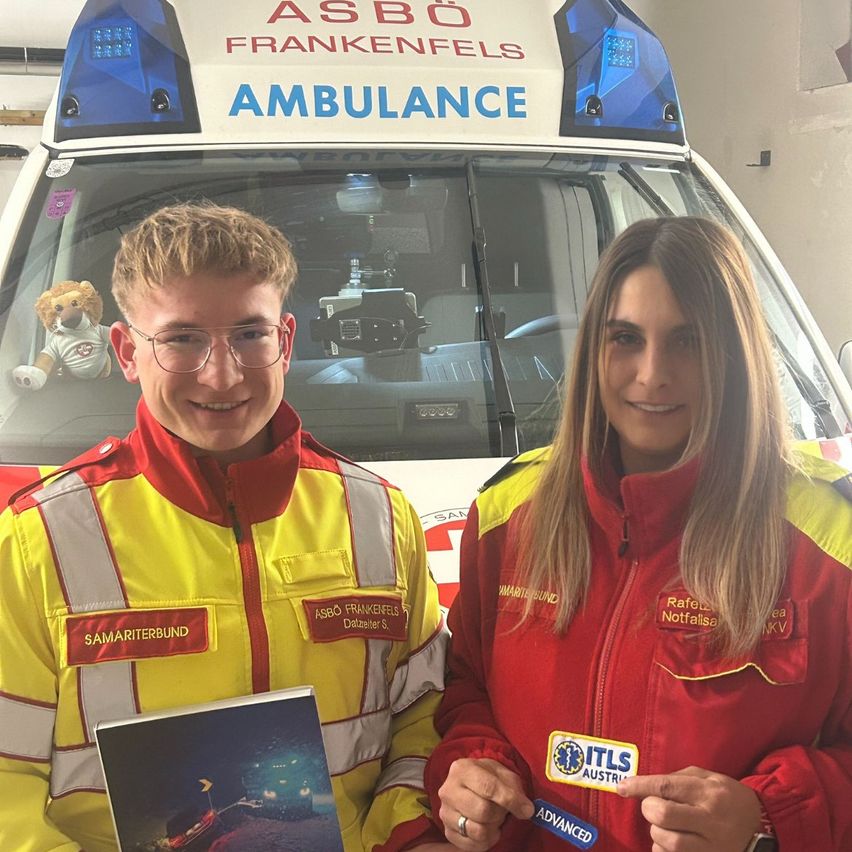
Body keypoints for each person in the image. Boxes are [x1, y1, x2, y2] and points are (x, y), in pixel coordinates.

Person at [0, 202, 453, 852]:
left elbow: (423, 713)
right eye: (182, 339)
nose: (221, 373)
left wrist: (407, 833)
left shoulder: (379, 516)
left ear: (287, 342)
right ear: (127, 352)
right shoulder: (37, 538)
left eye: (250, 334)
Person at [424, 216, 852, 851]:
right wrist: (469, 768)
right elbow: (466, 693)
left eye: (688, 342)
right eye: (626, 338)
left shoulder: (831, 544)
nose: (652, 374)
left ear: (733, 354)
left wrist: (765, 817)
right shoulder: (505, 516)